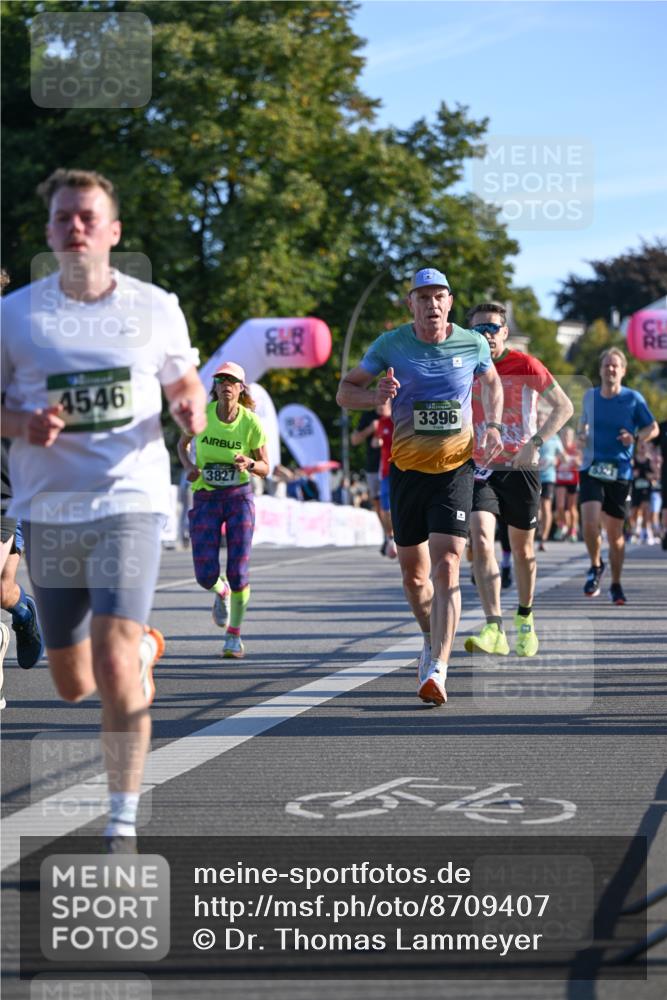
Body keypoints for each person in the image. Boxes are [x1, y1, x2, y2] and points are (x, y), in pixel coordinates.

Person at [0, 168, 207, 851]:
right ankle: (142, 647)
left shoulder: (155, 307)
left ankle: (121, 815)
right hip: (48, 510)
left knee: (114, 666)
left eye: (89, 216)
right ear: (51, 232)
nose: (76, 227)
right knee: (70, 683)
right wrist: (21, 423)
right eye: (65, 218)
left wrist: (188, 411)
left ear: (113, 232)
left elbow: (185, 384)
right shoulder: (16, 316)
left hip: (131, 500)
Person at [337, 267, 504, 706]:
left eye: (439, 297)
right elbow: (344, 391)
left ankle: (438, 668)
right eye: (423, 297)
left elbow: (492, 380)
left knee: (448, 563)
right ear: (410, 303)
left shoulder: (471, 342)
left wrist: (494, 425)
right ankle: (431, 640)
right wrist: (374, 398)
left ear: (450, 301)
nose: (432, 305)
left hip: (455, 470)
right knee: (414, 579)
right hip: (407, 473)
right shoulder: (390, 344)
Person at [465, 302, 573, 658]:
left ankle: (525, 617)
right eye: (478, 329)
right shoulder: (466, 366)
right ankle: (493, 626)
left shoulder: (525, 365)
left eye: (492, 328)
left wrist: (535, 443)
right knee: (481, 538)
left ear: (505, 332)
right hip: (481, 466)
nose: (486, 335)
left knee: (523, 550)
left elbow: (564, 406)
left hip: (521, 468)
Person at [177, 361, 269, 659]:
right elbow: (182, 445)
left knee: (238, 570)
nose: (226, 385)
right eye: (221, 380)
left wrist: (251, 464)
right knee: (205, 574)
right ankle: (221, 592)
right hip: (205, 496)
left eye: (232, 381)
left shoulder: (251, 422)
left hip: (238, 498)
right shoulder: (202, 415)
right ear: (215, 387)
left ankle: (234, 635)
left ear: (241, 388)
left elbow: (267, 467)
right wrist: (190, 467)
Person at [578, 347, 658, 603]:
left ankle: (615, 583)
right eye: (606, 365)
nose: (610, 369)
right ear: (600, 370)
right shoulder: (589, 396)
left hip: (620, 472)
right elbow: (583, 424)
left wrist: (634, 438)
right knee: (589, 521)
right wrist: (582, 434)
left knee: (615, 536)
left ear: (623, 371)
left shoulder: (633, 398)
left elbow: (652, 427)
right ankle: (595, 565)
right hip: (591, 467)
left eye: (615, 365)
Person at [351, 404, 385, 553]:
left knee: (392, 502)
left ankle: (396, 535)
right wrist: (370, 429)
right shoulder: (369, 416)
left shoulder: (398, 411)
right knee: (377, 502)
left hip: (394, 466)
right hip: (373, 466)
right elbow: (354, 440)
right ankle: (387, 535)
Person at [373, 398, 397, 558]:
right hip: (385, 471)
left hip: (401, 468)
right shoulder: (380, 423)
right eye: (378, 404)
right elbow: (377, 441)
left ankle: (399, 537)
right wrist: (377, 441)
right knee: (385, 508)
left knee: (397, 507)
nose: (380, 407)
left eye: (383, 404)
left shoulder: (397, 420)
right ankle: (391, 537)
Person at [537, 432, 565, 551]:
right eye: (539, 419)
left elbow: (562, 456)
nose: (541, 422)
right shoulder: (534, 433)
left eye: (543, 419)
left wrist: (556, 460)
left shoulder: (554, 437)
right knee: (535, 508)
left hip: (548, 477)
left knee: (546, 507)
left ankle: (543, 538)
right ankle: (537, 530)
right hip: (533, 476)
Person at [554, 426, 582, 541]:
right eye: (563, 435)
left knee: (571, 508)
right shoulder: (558, 449)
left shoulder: (576, 449)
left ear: (572, 437)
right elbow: (553, 462)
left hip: (573, 480)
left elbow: (581, 464)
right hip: (560, 480)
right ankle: (562, 525)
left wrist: (576, 462)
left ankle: (573, 529)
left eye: (568, 435)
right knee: (560, 506)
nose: (565, 437)